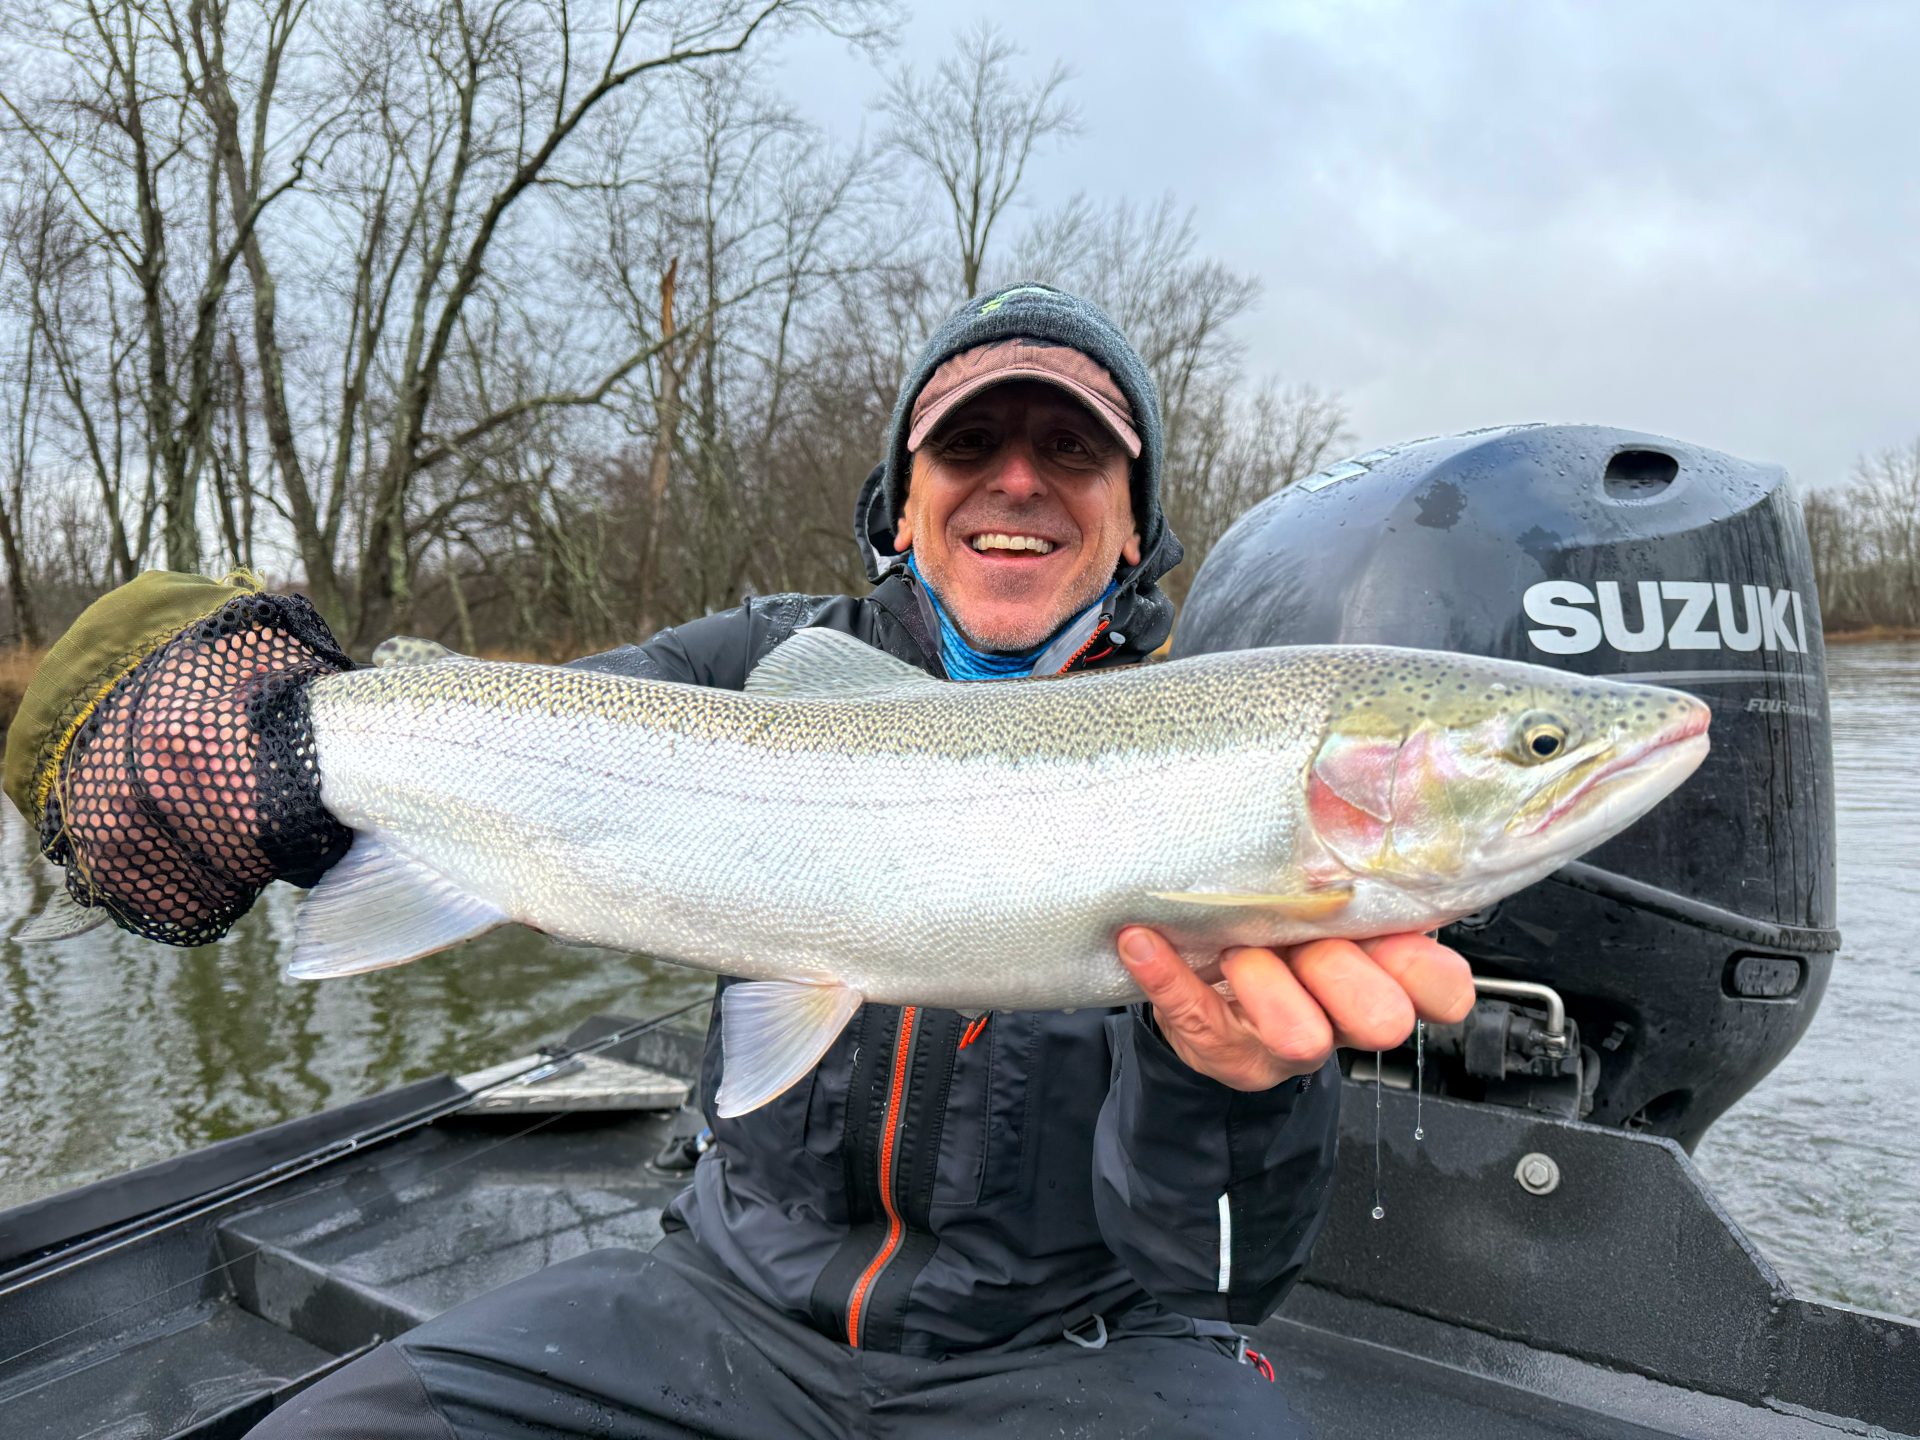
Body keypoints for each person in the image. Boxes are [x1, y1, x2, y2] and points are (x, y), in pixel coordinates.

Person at [10, 283, 1472, 1437]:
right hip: (720, 1305)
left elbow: (1217, 1278)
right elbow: (533, 731)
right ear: (904, 499)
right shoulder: (762, 657)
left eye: (1073, 450)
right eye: (969, 444)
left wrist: (1235, 1086)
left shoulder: (1229, 746)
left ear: (1133, 518)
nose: (1017, 480)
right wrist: (287, 755)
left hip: (1072, 1360)